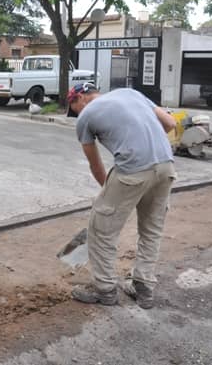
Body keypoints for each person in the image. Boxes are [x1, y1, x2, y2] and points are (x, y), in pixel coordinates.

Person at [67, 82, 177, 309]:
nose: (76, 113)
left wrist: (109, 196)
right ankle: (144, 288)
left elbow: (95, 165)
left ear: (79, 98)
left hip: (132, 170)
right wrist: (145, 144)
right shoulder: (131, 93)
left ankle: (104, 290)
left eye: (73, 108)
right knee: (151, 230)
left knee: (101, 228)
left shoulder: (85, 116)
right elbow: (170, 123)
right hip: (166, 166)